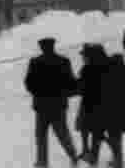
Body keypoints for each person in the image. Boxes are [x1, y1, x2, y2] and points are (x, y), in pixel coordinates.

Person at [24, 37, 79, 167]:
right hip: (59, 104)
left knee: (41, 136)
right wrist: (64, 92)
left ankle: (42, 162)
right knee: (62, 133)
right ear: (53, 46)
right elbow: (70, 81)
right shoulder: (63, 61)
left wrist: (37, 93)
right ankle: (73, 155)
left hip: (41, 105)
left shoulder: (35, 62)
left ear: (42, 48)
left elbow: (29, 82)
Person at [75, 44, 106, 164]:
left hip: (88, 105)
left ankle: (88, 152)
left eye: (84, 56)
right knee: (96, 131)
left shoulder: (86, 70)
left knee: (85, 127)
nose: (83, 58)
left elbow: (80, 87)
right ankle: (92, 153)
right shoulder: (104, 67)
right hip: (102, 104)